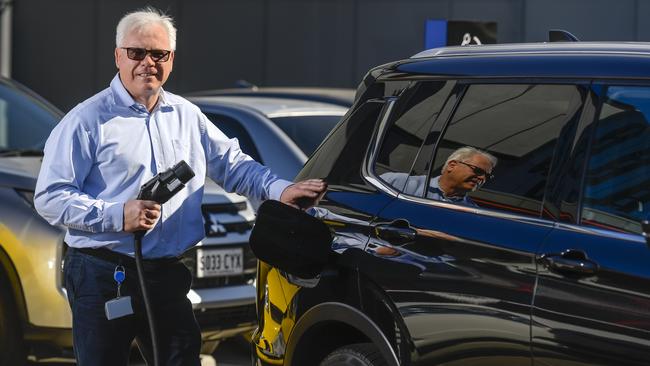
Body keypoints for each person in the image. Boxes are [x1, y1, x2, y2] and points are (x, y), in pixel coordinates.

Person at [34, 7, 325, 366]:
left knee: (180, 358)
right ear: (118, 56)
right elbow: (49, 198)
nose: (147, 63)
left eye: (159, 54)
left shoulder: (187, 116)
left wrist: (281, 190)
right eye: (137, 52)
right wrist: (117, 214)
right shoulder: (87, 119)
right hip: (102, 274)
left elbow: (233, 165)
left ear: (171, 59)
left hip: (167, 272)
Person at [381, 146, 496, 207]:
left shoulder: (472, 212)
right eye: (478, 171)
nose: (482, 178)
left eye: (487, 176)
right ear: (452, 165)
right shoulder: (397, 182)